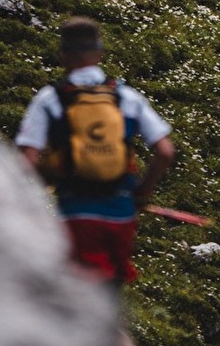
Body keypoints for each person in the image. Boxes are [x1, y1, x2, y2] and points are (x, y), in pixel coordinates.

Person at [16, 16, 175, 288]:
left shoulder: (50, 99)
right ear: (100, 54)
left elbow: (27, 162)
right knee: (111, 287)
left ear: (63, 56)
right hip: (121, 213)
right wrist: (142, 191)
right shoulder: (126, 97)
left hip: (76, 214)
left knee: (78, 291)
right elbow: (165, 151)